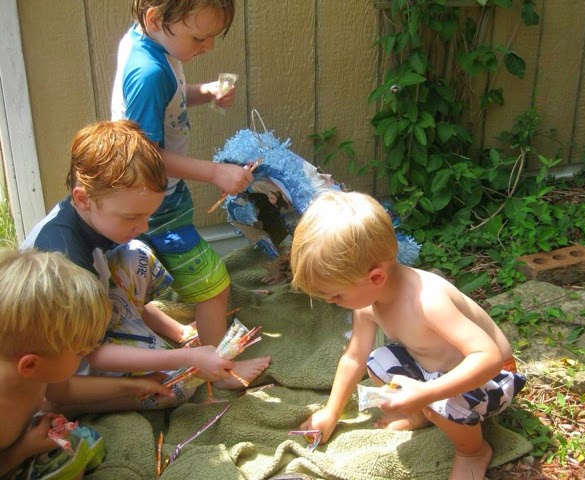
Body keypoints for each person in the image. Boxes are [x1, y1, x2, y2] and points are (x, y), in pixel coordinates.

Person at [22, 120, 267, 411]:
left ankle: (173, 336)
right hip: (64, 370)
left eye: (148, 216)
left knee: (136, 254)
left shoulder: (90, 213)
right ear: (83, 198)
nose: (143, 227)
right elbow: (93, 353)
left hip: (87, 317)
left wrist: (179, 334)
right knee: (178, 386)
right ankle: (77, 403)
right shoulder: (65, 268)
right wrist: (186, 359)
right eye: (131, 217)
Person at [290, 191, 526, 480]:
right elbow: (354, 358)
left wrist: (428, 393)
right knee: (378, 361)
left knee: (440, 403)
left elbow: (488, 357)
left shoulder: (427, 301)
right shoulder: (368, 302)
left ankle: (472, 452)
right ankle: (418, 414)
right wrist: (331, 412)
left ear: (376, 277)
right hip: (436, 370)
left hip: (493, 377)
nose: (330, 302)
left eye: (336, 295)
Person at [110, 0, 271, 386]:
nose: (208, 46)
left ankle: (178, 333)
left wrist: (204, 92)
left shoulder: (146, 44)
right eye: (200, 37)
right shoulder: (148, 72)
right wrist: (215, 172)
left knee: (130, 279)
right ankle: (221, 369)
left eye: (213, 36)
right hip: (155, 204)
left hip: (144, 198)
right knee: (214, 284)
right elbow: (147, 157)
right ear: (155, 18)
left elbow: (170, 98)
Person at [0, 248, 173, 479]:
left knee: (78, 449)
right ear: (30, 365)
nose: (89, 352)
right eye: (80, 351)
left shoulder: (34, 370)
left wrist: (136, 385)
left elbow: (64, 390)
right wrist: (23, 449)